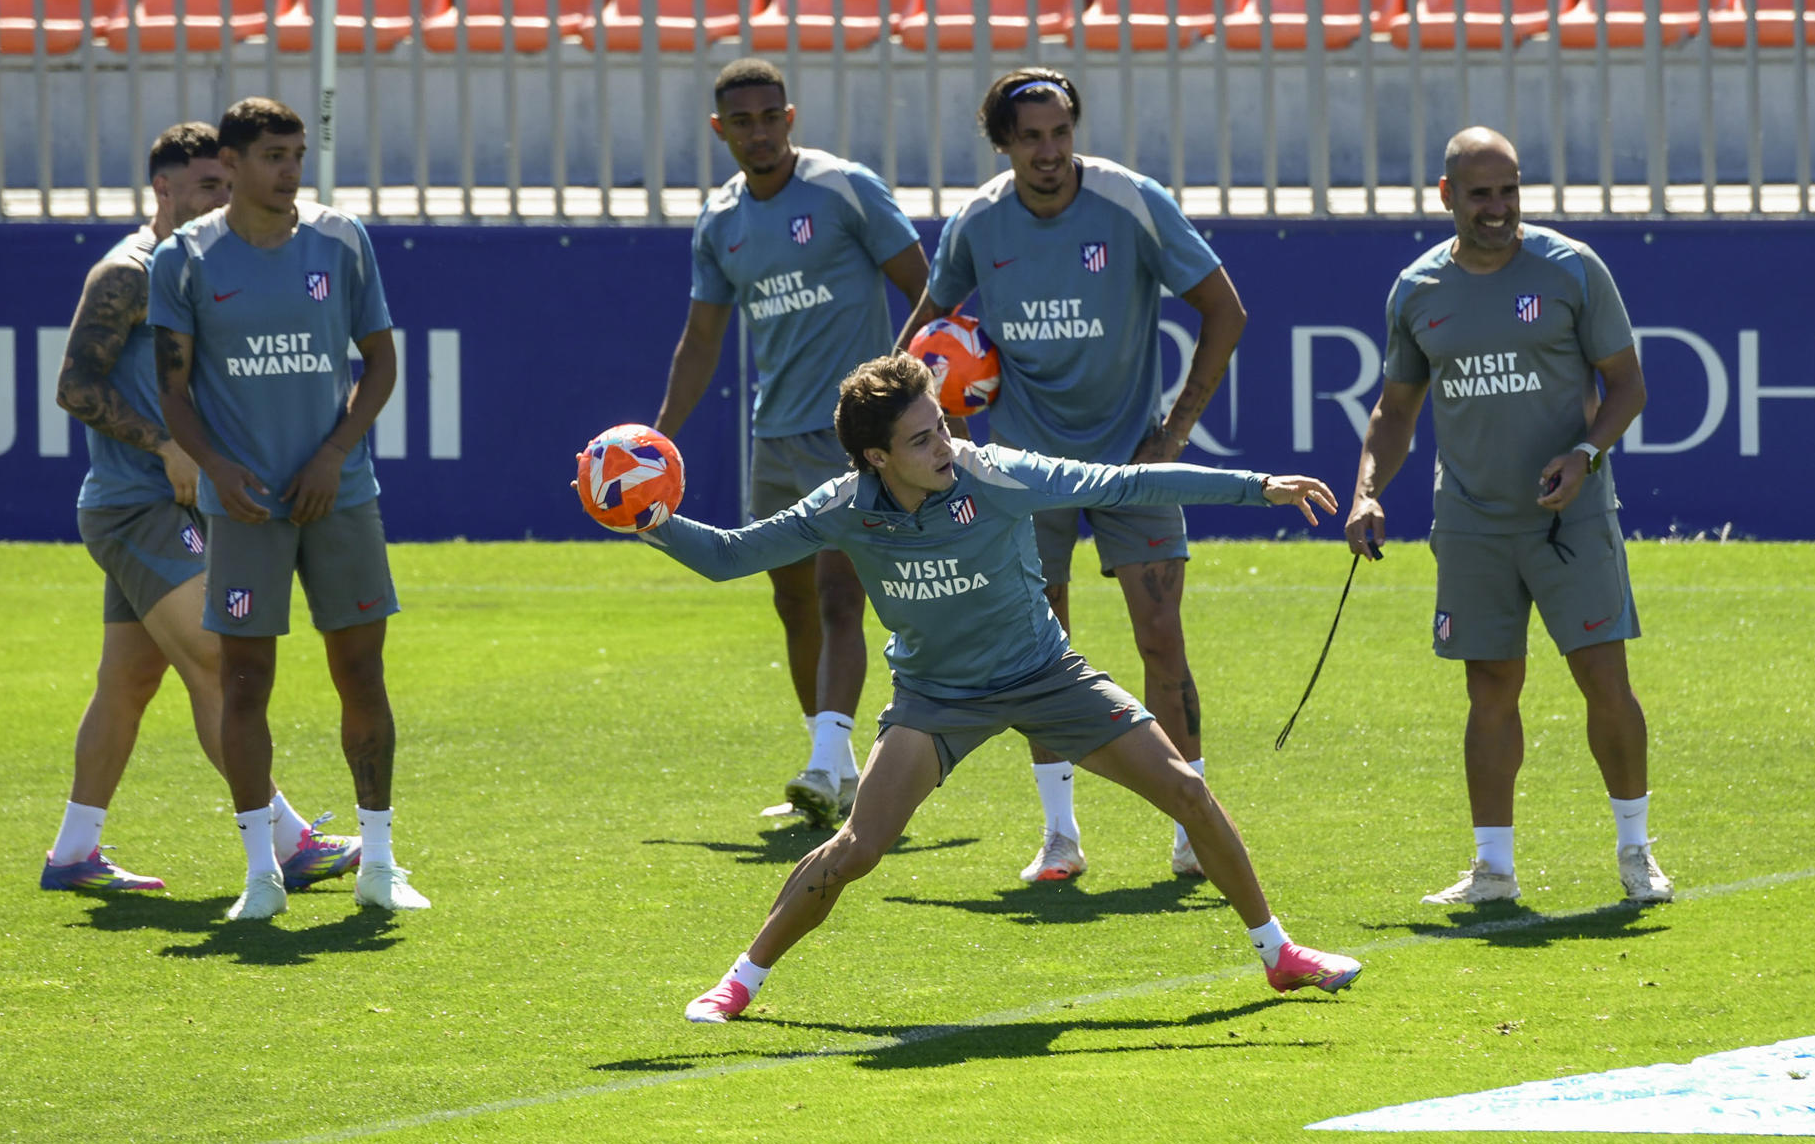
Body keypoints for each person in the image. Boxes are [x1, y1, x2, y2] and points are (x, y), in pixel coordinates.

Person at [584, 353, 1363, 1021]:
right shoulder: (844, 507)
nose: (946, 447)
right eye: (922, 438)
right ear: (876, 459)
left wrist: (1257, 484)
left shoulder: (996, 477)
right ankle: (738, 983)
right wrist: (647, 520)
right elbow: (729, 557)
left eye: (944, 426)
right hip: (935, 699)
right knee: (858, 847)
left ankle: (1278, 952)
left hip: (1046, 676)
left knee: (1186, 793)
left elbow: (1123, 483)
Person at [894, 68, 1248, 886]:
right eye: (1031, 138)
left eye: (1060, 133)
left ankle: (1191, 826)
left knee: (1162, 638)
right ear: (1004, 145)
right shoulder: (980, 220)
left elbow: (1225, 308)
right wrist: (917, 427)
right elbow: (926, 331)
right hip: (1022, 470)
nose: (1050, 152)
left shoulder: (1130, 202)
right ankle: (1060, 835)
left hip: (1131, 461)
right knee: (1033, 654)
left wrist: (1178, 429)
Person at [1343, 126, 1672, 906]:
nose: (1499, 207)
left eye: (1510, 189)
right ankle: (1492, 869)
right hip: (1470, 521)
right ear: (1448, 196)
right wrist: (1365, 490)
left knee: (1604, 680)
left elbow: (1628, 386)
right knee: (1489, 689)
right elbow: (1395, 409)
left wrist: (1585, 454)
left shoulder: (1571, 269)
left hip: (1572, 518)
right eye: (1482, 192)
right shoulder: (1417, 289)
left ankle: (1636, 853)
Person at [44, 121, 360, 897]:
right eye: (209, 186)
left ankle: (72, 854)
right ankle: (288, 841)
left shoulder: (204, 266)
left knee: (128, 683)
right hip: (135, 506)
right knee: (219, 658)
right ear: (164, 189)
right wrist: (165, 447)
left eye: (227, 182)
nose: (224, 196)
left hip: (172, 503)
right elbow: (74, 386)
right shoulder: (128, 271)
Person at [151, 97, 429, 919]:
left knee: (361, 672)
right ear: (230, 165)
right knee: (244, 682)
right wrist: (216, 471)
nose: (290, 171)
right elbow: (172, 390)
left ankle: (377, 861)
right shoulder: (187, 259)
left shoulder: (341, 241)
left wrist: (335, 453)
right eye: (273, 155)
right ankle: (261, 877)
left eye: (297, 154)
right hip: (244, 508)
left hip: (339, 496)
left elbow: (379, 362)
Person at [656, 58, 930, 828]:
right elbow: (701, 339)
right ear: (720, 131)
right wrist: (658, 441)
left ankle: (826, 763)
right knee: (790, 599)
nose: (759, 132)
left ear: (791, 116)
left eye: (770, 116)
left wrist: (904, 404)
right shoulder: (720, 220)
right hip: (773, 436)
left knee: (843, 593)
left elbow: (927, 290)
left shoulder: (845, 189)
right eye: (741, 121)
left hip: (850, 437)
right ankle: (833, 770)